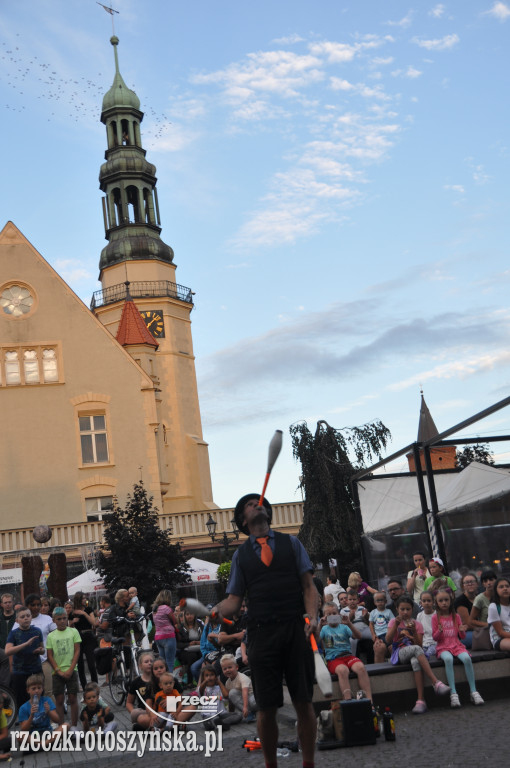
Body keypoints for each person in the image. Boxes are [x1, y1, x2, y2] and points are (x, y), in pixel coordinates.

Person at [217, 493, 318, 768]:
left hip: (295, 629)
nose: (256, 504)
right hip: (261, 635)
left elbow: (309, 587)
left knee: (303, 702)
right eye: (249, 504)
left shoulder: (291, 543)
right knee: (267, 708)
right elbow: (234, 601)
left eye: (258, 502)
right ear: (243, 520)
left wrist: (313, 616)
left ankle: (308, 764)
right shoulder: (240, 556)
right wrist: (215, 610)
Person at [386, 595, 450, 714]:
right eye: (402, 609)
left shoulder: (417, 624)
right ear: (397, 609)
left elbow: (420, 645)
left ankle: (420, 701)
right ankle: (436, 682)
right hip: (399, 653)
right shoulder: (393, 621)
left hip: (414, 652)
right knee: (415, 649)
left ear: (412, 609)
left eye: (408, 609)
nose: (405, 612)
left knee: (416, 661)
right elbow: (388, 639)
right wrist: (395, 625)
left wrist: (414, 631)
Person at [432, 589, 483, 707]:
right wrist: (439, 632)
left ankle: (473, 691)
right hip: (443, 647)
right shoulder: (436, 618)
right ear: (437, 603)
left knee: (467, 659)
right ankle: (453, 693)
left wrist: (462, 631)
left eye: (446, 600)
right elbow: (435, 638)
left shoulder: (456, 616)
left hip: (456, 645)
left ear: (451, 601)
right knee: (448, 659)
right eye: (441, 600)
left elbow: (462, 636)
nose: (444, 603)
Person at [320, 604, 372, 702]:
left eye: (334, 613)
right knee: (342, 670)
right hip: (333, 659)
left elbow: (358, 636)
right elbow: (317, 640)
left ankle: (370, 701)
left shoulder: (344, 626)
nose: (332, 616)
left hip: (348, 656)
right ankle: (348, 700)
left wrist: (349, 624)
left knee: (361, 667)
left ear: (339, 614)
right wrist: (320, 624)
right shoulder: (324, 629)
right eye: (329, 614)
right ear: (324, 616)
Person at [46, 607, 81, 727]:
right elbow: (50, 655)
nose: (62, 621)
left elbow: (77, 651)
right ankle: (62, 726)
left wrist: (71, 668)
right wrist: (58, 670)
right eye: (59, 619)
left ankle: (75, 726)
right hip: (57, 673)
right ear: (54, 620)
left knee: (73, 698)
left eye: (64, 618)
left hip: (72, 670)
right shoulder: (51, 636)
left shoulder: (73, 632)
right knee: (59, 700)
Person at [5, 606, 44, 707]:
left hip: (36, 670)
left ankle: (37, 718)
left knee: (37, 698)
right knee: (22, 698)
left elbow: (43, 649)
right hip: (20, 671)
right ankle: (24, 720)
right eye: (22, 617)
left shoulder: (37, 631)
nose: (26, 618)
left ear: (31, 617)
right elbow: (8, 651)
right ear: (17, 620)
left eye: (28, 616)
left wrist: (39, 651)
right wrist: (25, 644)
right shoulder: (13, 633)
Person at [18, 673, 64, 744]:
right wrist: (31, 716)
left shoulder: (47, 700)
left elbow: (57, 720)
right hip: (33, 736)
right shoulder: (23, 708)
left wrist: (49, 712)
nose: (36, 691)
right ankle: (45, 743)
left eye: (39, 688)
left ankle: (44, 744)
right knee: (20, 735)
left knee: (66, 726)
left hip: (47, 732)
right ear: (28, 690)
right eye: (33, 688)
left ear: (42, 689)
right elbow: (24, 729)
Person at [72, 591, 98, 689]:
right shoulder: (73, 612)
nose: (85, 600)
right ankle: (84, 687)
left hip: (88, 636)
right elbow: (69, 626)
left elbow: (94, 623)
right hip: (78, 638)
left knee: (91, 663)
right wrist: (72, 622)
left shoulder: (88, 609)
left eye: (85, 598)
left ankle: (95, 686)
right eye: (83, 598)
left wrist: (84, 614)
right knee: (80, 665)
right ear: (78, 600)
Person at [220, 653, 257, 722]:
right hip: (244, 700)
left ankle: (254, 711)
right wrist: (230, 712)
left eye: (230, 667)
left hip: (252, 696)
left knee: (253, 702)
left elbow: (245, 692)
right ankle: (249, 713)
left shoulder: (242, 677)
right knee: (231, 693)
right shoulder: (227, 682)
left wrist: (245, 707)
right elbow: (230, 699)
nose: (227, 670)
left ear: (236, 667)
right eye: (225, 669)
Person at [126, 650, 154, 730]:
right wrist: (133, 712)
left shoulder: (159, 679)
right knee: (141, 718)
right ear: (140, 666)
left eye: (151, 661)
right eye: (146, 662)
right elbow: (129, 702)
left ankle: (150, 727)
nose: (149, 663)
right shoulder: (136, 682)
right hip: (144, 712)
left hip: (158, 710)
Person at [152, 590, 177, 674]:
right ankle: (170, 682)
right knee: (170, 662)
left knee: (162, 663)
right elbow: (174, 621)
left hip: (158, 637)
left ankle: (162, 682)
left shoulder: (154, 609)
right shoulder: (166, 608)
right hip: (168, 636)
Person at [454, 573, 479, 649]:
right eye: (467, 582)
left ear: (477, 584)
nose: (470, 584)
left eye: (472, 581)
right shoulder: (460, 601)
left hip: (481, 629)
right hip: (466, 633)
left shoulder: (480, 598)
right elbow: (468, 623)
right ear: (462, 586)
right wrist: (486, 627)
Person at [369, 591, 393, 663]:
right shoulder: (373, 612)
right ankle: (379, 668)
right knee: (379, 647)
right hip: (379, 635)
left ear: (385, 601)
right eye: (377, 600)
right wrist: (373, 635)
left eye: (381, 600)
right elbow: (371, 624)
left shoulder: (388, 611)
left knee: (392, 648)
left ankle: (394, 663)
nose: (380, 602)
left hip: (388, 634)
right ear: (374, 602)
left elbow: (393, 622)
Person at [488, 577, 510, 651]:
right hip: (500, 639)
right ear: (496, 590)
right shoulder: (493, 607)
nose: (505, 589)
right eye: (501, 587)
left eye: (507, 586)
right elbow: (500, 632)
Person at [416, 591, 436, 659]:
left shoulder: (437, 614)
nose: (426, 603)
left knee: (428, 654)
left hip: (435, 643)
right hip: (423, 644)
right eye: (424, 601)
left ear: (433, 602)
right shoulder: (419, 615)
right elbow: (418, 632)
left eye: (429, 601)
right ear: (421, 603)